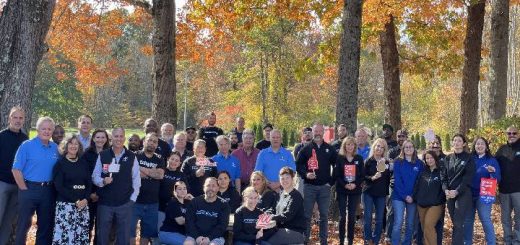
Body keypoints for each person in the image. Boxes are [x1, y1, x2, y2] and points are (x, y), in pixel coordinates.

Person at [12, 116, 59, 245]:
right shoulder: (27, 145)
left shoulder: (56, 148)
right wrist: (24, 189)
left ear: (52, 131)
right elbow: (16, 169)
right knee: (23, 225)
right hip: (29, 189)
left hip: (48, 191)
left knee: (45, 226)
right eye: (43, 128)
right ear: (38, 130)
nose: (46, 131)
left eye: (49, 129)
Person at [92, 127, 141, 245]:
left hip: (125, 203)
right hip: (105, 203)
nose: (118, 139)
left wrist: (132, 199)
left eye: (121, 136)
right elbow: (95, 176)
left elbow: (136, 180)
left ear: (124, 138)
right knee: (102, 235)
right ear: (111, 138)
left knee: (123, 237)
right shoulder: (103, 155)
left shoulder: (131, 156)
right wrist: (103, 181)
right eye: (116, 136)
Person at [296, 123, 337, 245]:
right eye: (316, 131)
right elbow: (298, 165)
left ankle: (323, 241)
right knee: (307, 215)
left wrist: (331, 181)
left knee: (324, 216)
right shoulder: (306, 148)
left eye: (320, 131)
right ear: (312, 132)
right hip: (309, 187)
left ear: (323, 132)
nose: (318, 133)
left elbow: (337, 165)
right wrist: (305, 174)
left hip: (325, 188)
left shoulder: (329, 149)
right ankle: (305, 240)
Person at [52, 135, 91, 244]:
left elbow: (89, 184)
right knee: (66, 238)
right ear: (65, 145)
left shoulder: (84, 163)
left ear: (79, 147)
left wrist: (86, 199)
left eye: (76, 144)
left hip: (83, 206)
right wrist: (76, 200)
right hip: (66, 207)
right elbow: (59, 187)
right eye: (71, 143)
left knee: (80, 237)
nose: (73, 146)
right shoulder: (60, 164)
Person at [463, 137, 501, 245]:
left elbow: (498, 179)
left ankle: (491, 242)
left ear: (486, 147)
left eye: (482, 144)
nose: (479, 146)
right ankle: (467, 242)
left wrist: (493, 173)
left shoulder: (491, 160)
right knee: (468, 220)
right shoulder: (469, 159)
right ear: (474, 146)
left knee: (485, 219)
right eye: (477, 144)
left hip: (484, 195)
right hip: (469, 194)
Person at [131, 133, 166, 245]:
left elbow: (160, 175)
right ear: (144, 141)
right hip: (134, 201)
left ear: (157, 145)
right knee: (130, 232)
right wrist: (152, 172)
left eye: (154, 142)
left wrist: (140, 168)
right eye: (149, 140)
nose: (152, 143)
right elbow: (133, 174)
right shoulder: (135, 155)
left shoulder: (159, 159)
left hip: (152, 203)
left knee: (146, 234)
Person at [0, 106, 28, 245]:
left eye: (20, 118)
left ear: (24, 120)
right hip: (2, 184)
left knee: (9, 220)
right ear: (9, 118)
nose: (18, 120)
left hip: (17, 185)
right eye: (15, 117)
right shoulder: (1, 136)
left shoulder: (25, 139)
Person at [442, 134, 475, 245]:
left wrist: (457, 191)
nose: (456, 143)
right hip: (450, 194)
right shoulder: (448, 158)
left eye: (459, 141)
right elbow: (444, 177)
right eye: (454, 140)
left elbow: (467, 178)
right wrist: (446, 190)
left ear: (464, 143)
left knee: (458, 222)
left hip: (463, 193)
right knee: (456, 222)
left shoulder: (469, 158)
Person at [391, 140, 423, 245]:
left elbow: (419, 182)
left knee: (410, 223)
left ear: (414, 148)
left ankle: (406, 243)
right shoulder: (398, 162)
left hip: (413, 198)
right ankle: (395, 242)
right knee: (398, 222)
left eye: (411, 147)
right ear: (403, 149)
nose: (408, 149)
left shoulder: (419, 164)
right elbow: (398, 181)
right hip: (399, 196)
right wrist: (405, 196)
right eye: (406, 147)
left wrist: (412, 196)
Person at [81, 128, 110, 243]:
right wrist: (90, 194)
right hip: (90, 195)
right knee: (87, 225)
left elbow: (112, 176)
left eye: (103, 137)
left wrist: (100, 193)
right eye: (98, 137)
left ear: (106, 139)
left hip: (105, 196)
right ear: (93, 138)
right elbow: (83, 176)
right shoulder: (87, 154)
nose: (100, 140)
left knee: (101, 228)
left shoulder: (110, 154)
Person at [334, 136, 364, 245]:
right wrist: (345, 184)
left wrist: (354, 185)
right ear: (344, 146)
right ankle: (341, 241)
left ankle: (350, 240)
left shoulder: (359, 159)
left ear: (355, 146)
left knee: (351, 217)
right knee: (342, 217)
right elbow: (336, 175)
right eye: (348, 144)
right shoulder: (339, 158)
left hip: (355, 190)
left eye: (352, 144)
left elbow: (362, 176)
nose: (350, 146)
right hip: (342, 189)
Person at [264, 167, 305, 244]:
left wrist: (271, 217)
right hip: (279, 229)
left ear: (293, 179)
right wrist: (266, 213)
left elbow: (287, 216)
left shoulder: (296, 196)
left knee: (266, 242)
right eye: (282, 178)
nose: (284, 180)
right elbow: (272, 209)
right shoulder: (280, 194)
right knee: (260, 236)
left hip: (294, 231)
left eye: (287, 178)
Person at [184, 177, 230, 245]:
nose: (211, 188)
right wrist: (197, 237)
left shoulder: (224, 205)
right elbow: (189, 222)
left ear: (218, 188)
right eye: (208, 185)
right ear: (203, 187)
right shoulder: (194, 202)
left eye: (213, 186)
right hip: (194, 236)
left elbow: (222, 226)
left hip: (215, 238)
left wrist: (209, 238)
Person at [413, 151, 445, 245]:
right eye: (427, 158)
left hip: (436, 205)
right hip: (421, 204)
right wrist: (416, 198)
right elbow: (417, 186)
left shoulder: (441, 171)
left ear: (435, 159)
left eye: (431, 158)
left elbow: (444, 186)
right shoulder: (423, 172)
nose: (429, 160)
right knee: (425, 229)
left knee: (429, 225)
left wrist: (440, 200)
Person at [363, 138, 391, 245]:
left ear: (384, 150)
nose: (379, 148)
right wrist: (372, 178)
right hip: (368, 192)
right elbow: (363, 177)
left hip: (381, 194)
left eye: (382, 147)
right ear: (374, 147)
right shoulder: (368, 161)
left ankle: (375, 241)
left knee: (379, 219)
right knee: (368, 217)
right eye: (377, 146)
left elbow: (390, 178)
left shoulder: (387, 163)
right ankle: (367, 239)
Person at [496, 125, 520, 245]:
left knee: (519, 217)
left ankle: (517, 240)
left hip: (518, 190)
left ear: (518, 134)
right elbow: (494, 165)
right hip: (504, 190)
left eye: (514, 133)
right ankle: (507, 240)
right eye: (509, 133)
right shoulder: (501, 149)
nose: (511, 135)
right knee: (505, 218)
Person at [159, 152, 188, 229]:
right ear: (168, 159)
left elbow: (185, 191)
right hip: (159, 207)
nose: (174, 162)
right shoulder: (161, 171)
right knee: (158, 232)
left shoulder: (181, 175)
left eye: (177, 160)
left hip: (174, 209)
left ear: (179, 163)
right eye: (172, 159)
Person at [159, 181, 192, 245]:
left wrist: (193, 199)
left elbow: (200, 209)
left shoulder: (188, 203)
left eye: (184, 188)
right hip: (168, 233)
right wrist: (193, 220)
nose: (183, 191)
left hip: (181, 234)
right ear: (174, 191)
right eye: (179, 189)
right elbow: (181, 221)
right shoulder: (173, 203)